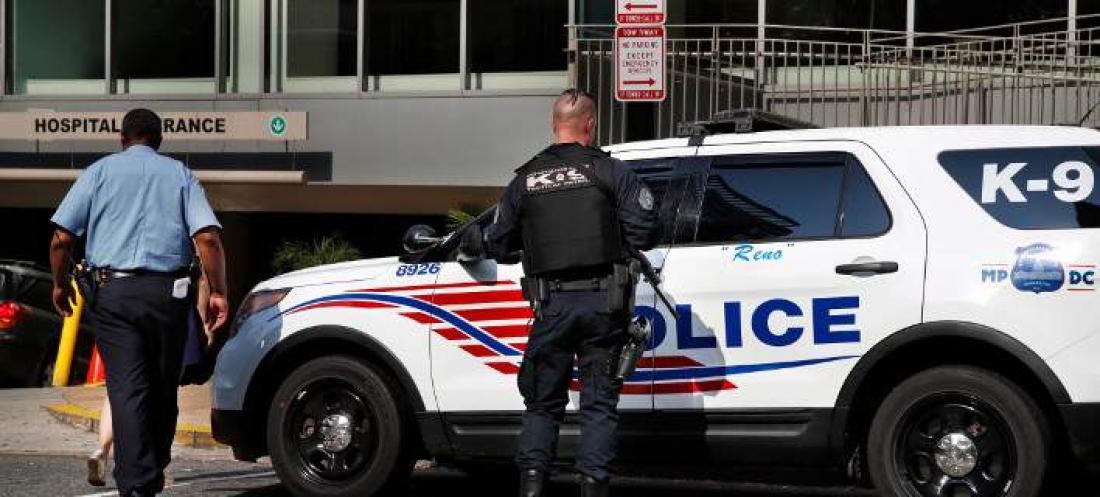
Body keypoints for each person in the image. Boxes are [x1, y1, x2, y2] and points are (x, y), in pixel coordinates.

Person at [484, 89, 657, 497]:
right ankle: (593, 486)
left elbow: (496, 243)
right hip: (604, 305)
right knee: (598, 404)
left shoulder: (525, 180)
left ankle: (532, 486)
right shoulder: (611, 172)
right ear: (590, 124)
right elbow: (645, 232)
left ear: (553, 124)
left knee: (542, 403)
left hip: (552, 306)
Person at [49, 108, 229, 497]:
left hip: (113, 295)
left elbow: (62, 239)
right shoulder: (180, 175)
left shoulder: (98, 173)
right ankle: (151, 470)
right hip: (168, 297)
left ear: (122, 138)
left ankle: (137, 483)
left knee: (127, 389)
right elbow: (208, 239)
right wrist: (218, 292)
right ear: (159, 140)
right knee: (163, 388)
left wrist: (61, 284)